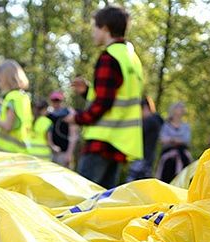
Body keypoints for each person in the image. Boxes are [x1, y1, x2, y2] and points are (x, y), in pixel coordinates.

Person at [64, 6, 144, 189]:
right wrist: (87, 92)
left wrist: (76, 118)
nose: (93, 32)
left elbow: (104, 103)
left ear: (106, 29)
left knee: (83, 199)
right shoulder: (131, 58)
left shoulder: (109, 57)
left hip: (101, 143)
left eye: (95, 27)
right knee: (103, 204)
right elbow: (116, 96)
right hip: (119, 144)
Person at [0, 60, 49, 158]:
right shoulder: (23, 97)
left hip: (7, 153)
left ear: (6, 78)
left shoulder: (12, 98)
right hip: (19, 151)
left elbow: (8, 126)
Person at [126, 97, 163, 182]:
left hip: (142, 157)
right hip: (148, 158)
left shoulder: (149, 122)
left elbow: (136, 135)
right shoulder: (157, 121)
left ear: (145, 108)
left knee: (131, 184)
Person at [156, 101, 192, 183]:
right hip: (168, 155)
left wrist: (171, 139)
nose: (181, 109)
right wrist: (175, 140)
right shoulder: (166, 125)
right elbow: (162, 139)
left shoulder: (186, 126)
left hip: (183, 155)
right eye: (179, 107)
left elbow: (186, 140)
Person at [46, 91, 75, 166]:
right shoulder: (48, 115)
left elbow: (73, 135)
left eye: (58, 100)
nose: (56, 103)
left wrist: (69, 153)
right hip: (50, 153)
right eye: (54, 100)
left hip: (64, 153)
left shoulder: (68, 113)